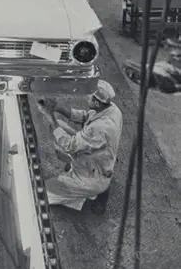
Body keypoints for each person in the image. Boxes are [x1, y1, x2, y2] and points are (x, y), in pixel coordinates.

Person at [37, 80, 123, 214]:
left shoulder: (100, 128)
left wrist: (50, 116)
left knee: (42, 192)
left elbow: (69, 145)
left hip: (93, 176)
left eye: (89, 95)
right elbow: (84, 116)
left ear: (96, 102)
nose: (85, 96)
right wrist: (57, 107)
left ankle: (95, 190)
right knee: (59, 126)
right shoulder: (111, 109)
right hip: (97, 159)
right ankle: (88, 181)